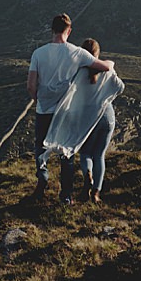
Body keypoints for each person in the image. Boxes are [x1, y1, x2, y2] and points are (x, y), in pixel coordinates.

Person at [28, 13, 113, 203]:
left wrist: (37, 100)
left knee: (40, 147)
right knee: (66, 152)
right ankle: (65, 196)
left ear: (52, 30)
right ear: (69, 30)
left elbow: (31, 85)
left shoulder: (38, 54)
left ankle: (42, 180)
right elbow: (104, 67)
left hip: (44, 110)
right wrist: (111, 63)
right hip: (66, 112)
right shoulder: (77, 53)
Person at [75, 38, 117, 203]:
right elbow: (120, 87)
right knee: (99, 155)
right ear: (97, 53)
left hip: (87, 117)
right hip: (106, 115)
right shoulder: (107, 70)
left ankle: (87, 175)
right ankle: (96, 193)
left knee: (85, 153)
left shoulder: (78, 73)